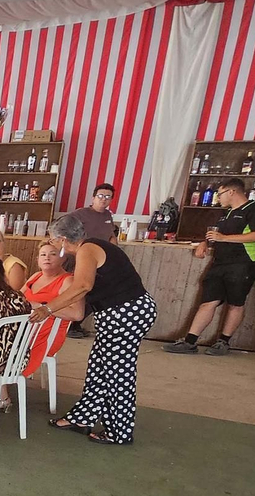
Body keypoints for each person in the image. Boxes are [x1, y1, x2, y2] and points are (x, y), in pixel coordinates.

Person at [32, 213, 157, 445]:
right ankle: (82, 417)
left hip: (126, 313)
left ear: (61, 239)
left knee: (118, 374)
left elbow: (82, 285)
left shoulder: (88, 250)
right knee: (99, 366)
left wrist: (47, 309)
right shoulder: (90, 247)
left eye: (52, 240)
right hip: (119, 313)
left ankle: (119, 432)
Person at [165, 178, 255, 356]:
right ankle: (190, 341)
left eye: (220, 194)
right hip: (220, 262)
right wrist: (204, 243)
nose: (218, 198)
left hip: (244, 262)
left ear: (232, 192)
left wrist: (223, 238)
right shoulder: (226, 213)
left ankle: (223, 341)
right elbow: (217, 235)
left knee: (235, 303)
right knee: (208, 301)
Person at [65, 183, 117, 337]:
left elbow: (111, 235)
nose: (103, 200)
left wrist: (115, 250)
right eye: (100, 196)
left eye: (108, 197)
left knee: (96, 292)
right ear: (93, 197)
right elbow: (63, 228)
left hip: (100, 260)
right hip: (80, 258)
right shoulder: (80, 214)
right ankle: (70, 324)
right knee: (79, 289)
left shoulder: (108, 216)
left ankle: (75, 323)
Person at [21, 242, 73, 374]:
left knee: (4, 346)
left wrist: (42, 307)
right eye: (43, 254)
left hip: (47, 333)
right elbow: (18, 298)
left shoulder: (67, 281)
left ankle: (0, 390)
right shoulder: (35, 276)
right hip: (25, 328)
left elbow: (75, 313)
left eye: (53, 254)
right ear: (38, 260)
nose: (47, 258)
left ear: (63, 258)